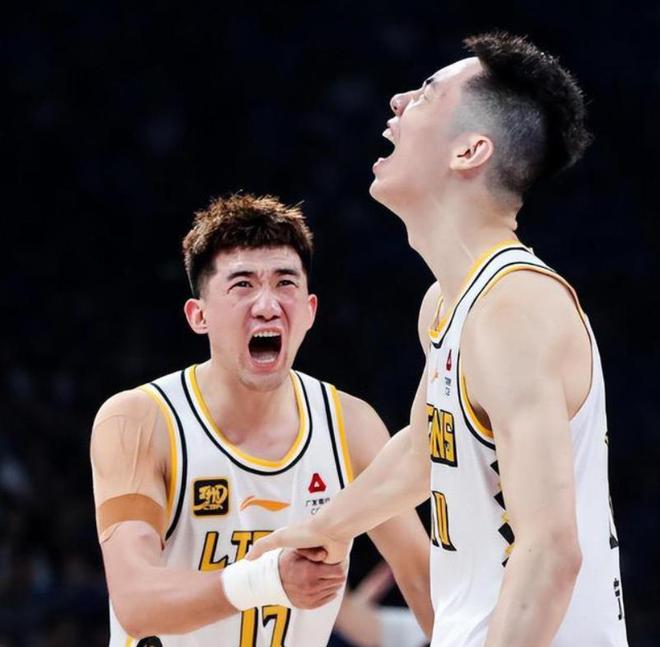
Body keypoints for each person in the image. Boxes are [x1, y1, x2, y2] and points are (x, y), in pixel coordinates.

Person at [247, 32, 629, 646]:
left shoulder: (513, 308)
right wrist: (328, 527)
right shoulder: (449, 303)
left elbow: (552, 551)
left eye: (426, 93)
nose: (398, 101)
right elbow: (429, 446)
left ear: (469, 151)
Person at [90, 193, 433, 646]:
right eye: (243, 285)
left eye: (285, 283)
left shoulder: (349, 425)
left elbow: (424, 583)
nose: (267, 305)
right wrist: (268, 579)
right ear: (199, 315)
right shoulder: (139, 420)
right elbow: (136, 602)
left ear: (309, 311)